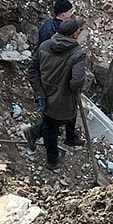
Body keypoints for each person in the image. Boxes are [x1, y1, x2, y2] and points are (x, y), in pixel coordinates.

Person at [26, 14, 90, 169]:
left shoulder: (45, 46)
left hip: (46, 93)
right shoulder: (77, 54)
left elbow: (32, 70)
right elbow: (76, 81)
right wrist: (77, 87)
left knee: (53, 122)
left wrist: (39, 92)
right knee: (51, 127)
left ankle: (45, 134)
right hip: (64, 97)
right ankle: (51, 160)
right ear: (75, 33)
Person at [27, 0, 75, 112]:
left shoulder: (48, 24)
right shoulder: (59, 31)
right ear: (63, 14)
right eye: (70, 12)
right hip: (49, 64)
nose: (72, 15)